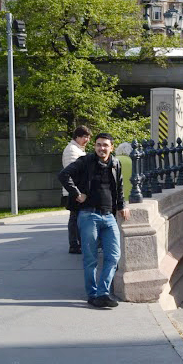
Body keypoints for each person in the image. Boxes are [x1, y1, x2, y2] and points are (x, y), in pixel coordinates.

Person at [58, 132, 129, 309]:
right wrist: (76, 194)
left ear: (111, 147)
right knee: (90, 259)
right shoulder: (85, 161)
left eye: (105, 145)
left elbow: (119, 187)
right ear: (94, 146)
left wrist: (123, 205)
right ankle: (93, 295)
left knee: (113, 256)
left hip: (109, 216)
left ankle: (102, 293)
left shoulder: (115, 163)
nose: (101, 148)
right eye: (98, 145)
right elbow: (64, 175)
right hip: (89, 215)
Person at [61, 125, 91, 254]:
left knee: (76, 217)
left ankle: (76, 243)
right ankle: (75, 244)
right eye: (84, 137)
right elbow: (73, 173)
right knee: (75, 218)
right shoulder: (72, 150)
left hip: (74, 190)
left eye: (88, 137)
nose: (87, 140)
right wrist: (78, 192)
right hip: (74, 191)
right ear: (77, 137)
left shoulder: (76, 149)